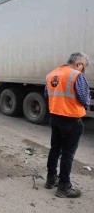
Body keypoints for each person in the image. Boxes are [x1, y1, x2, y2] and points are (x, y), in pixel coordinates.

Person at [44, 52, 90, 198]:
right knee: (68, 154)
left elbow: (47, 95)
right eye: (84, 66)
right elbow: (84, 99)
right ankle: (64, 187)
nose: (84, 70)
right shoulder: (77, 75)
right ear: (79, 64)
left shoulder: (51, 74)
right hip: (71, 119)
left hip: (55, 117)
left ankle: (51, 179)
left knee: (55, 148)